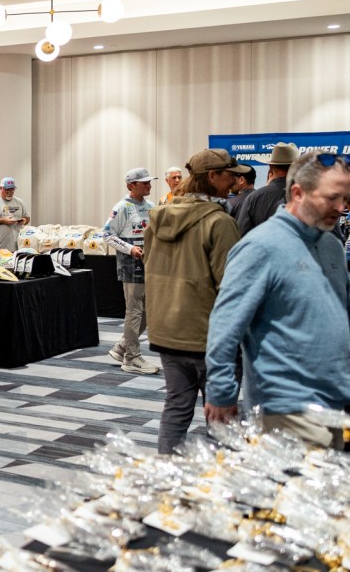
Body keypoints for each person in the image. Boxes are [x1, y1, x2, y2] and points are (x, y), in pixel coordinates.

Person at [205, 151, 350, 449]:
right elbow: (225, 326)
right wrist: (221, 390)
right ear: (298, 193)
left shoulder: (331, 246)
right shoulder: (260, 247)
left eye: (346, 198)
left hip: (337, 398)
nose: (341, 208)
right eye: (332, 198)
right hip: (286, 407)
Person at [145, 149, 247, 454]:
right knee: (221, 416)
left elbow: (149, 265)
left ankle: (167, 471)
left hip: (166, 332)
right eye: (230, 175)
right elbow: (231, 286)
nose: (235, 181)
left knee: (177, 407)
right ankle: (222, 479)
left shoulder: (158, 217)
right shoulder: (219, 222)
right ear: (212, 177)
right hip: (208, 336)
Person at [104, 168, 160, 375]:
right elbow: (107, 234)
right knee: (134, 311)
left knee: (148, 311)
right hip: (130, 265)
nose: (148, 185)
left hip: (149, 263)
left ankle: (122, 347)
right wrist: (130, 249)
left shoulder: (151, 206)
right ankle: (131, 357)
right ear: (131, 186)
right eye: (144, 183)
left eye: (149, 182)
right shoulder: (122, 207)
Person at [236, 142, 297, 235]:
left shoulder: (253, 199)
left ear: (270, 167)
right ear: (296, 167)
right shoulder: (308, 195)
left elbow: (241, 235)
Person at [0, 176, 30, 252]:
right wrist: (4, 221)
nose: (10, 192)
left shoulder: (19, 202)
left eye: (12, 189)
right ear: (0, 188)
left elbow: (27, 217)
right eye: (7, 190)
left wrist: (24, 220)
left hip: (16, 248)